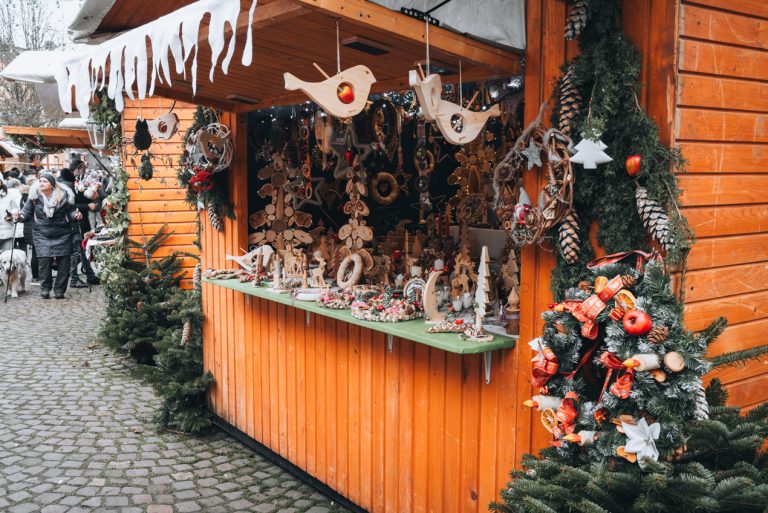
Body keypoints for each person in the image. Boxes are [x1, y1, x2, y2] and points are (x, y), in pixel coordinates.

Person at [14, 172, 82, 299]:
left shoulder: (64, 195)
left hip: (63, 233)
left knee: (64, 263)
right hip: (42, 233)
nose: (41, 183)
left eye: (45, 181)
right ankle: (45, 288)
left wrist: (76, 215)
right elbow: (26, 212)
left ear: (52, 184)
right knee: (44, 262)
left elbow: (71, 212)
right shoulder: (34, 197)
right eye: (40, 181)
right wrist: (20, 216)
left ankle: (59, 290)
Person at [60, 166, 100, 288]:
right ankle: (75, 279)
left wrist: (92, 192)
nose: (82, 172)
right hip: (75, 223)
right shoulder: (68, 187)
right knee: (77, 251)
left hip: (79, 222)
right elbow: (71, 206)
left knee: (82, 249)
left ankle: (89, 274)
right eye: (80, 169)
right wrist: (88, 206)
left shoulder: (71, 185)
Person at [0, 179, 24, 251]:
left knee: (6, 255)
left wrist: (13, 214)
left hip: (7, 230)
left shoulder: (9, 195)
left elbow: (15, 208)